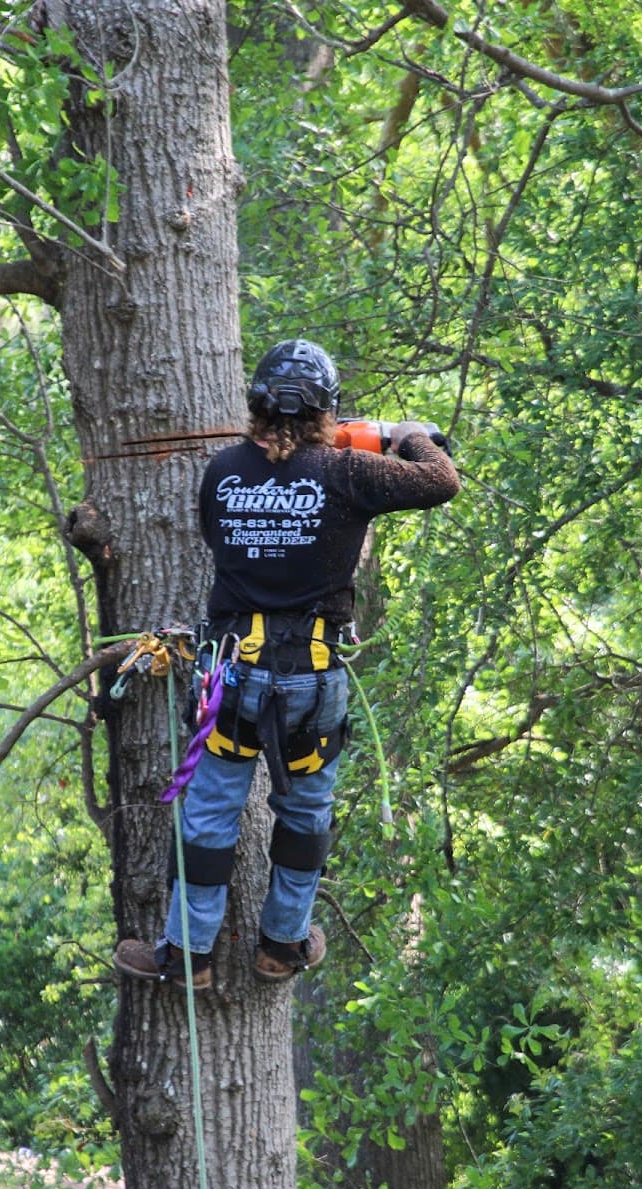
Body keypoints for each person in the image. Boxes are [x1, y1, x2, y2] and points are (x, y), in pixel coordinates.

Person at [114, 339, 460, 989]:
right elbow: (440, 480)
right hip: (312, 678)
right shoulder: (347, 474)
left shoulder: (222, 472)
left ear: (256, 406)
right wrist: (406, 434)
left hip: (233, 676)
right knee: (305, 813)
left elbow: (221, 540)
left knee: (211, 813)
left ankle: (189, 956)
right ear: (326, 413)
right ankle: (281, 946)